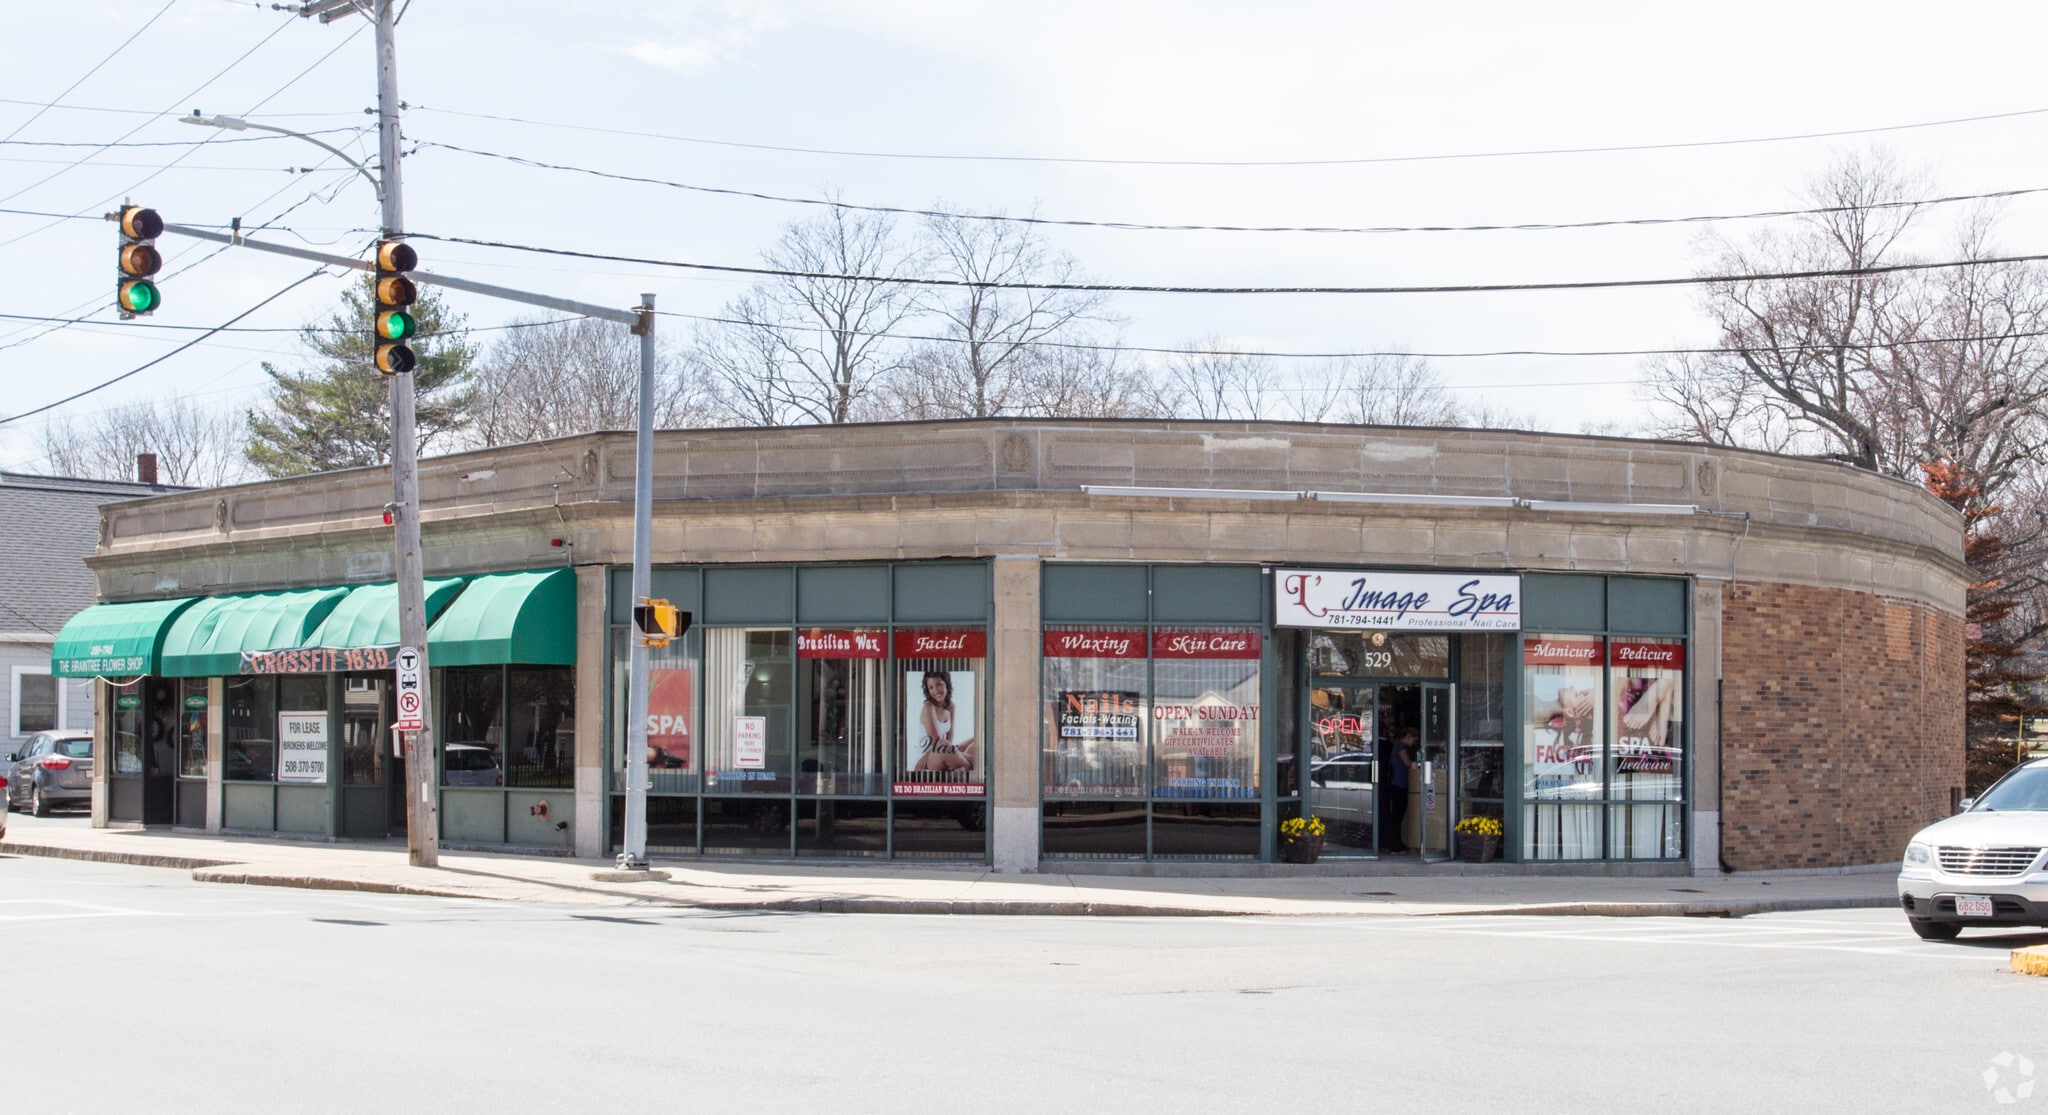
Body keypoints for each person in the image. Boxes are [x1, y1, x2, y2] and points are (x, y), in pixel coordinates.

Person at [912, 671, 974, 776]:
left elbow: (949, 737)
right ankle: (969, 763)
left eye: (939, 685)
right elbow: (936, 742)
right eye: (930, 687)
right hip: (928, 758)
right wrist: (960, 754)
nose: (935, 690)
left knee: (977, 738)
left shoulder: (951, 706)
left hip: (943, 750)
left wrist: (956, 752)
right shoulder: (928, 707)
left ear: (947, 684)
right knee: (943, 744)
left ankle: (957, 766)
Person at [1382, 728, 1418, 854]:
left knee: (1397, 816)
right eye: (1414, 739)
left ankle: (1394, 843)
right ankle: (1394, 844)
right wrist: (1416, 763)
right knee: (1397, 816)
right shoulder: (1400, 746)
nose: (1414, 742)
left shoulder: (1398, 746)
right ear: (1408, 736)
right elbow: (1408, 763)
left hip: (1399, 784)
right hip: (1398, 785)